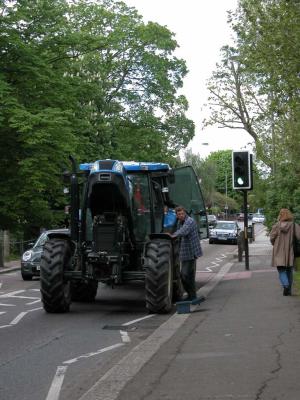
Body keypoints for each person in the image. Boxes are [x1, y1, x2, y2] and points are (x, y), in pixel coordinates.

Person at [169, 206, 203, 300]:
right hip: (185, 254)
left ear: (185, 213)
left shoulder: (190, 221)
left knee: (184, 275)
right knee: (190, 276)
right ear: (176, 215)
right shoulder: (180, 222)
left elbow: (184, 231)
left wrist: (173, 235)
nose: (181, 215)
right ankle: (192, 296)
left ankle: (191, 294)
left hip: (191, 252)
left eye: (182, 213)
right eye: (179, 214)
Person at [270, 208, 300, 296]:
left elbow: (272, 238)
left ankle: (286, 286)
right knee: (289, 271)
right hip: (290, 251)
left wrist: (274, 244)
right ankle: (289, 290)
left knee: (281, 270)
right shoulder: (294, 226)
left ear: (280, 215)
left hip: (278, 251)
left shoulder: (276, 226)